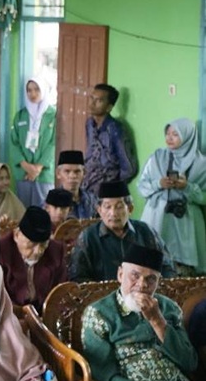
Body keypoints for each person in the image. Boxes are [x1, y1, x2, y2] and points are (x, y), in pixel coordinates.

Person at [82, 244, 206, 381]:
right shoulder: (99, 313)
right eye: (135, 276)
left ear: (158, 282)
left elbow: (190, 362)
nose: (142, 285)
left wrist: (157, 320)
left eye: (151, 279)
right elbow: (103, 374)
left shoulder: (169, 308)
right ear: (120, 274)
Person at [138, 118, 206, 276]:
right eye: (167, 133)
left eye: (175, 134)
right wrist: (159, 184)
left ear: (188, 136)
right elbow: (142, 187)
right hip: (158, 218)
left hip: (187, 223)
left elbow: (204, 197)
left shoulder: (201, 164)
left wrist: (187, 187)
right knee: (152, 265)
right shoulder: (157, 157)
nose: (169, 138)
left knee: (185, 273)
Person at [69, 181, 175, 282]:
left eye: (119, 207)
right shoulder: (88, 237)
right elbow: (78, 277)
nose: (113, 213)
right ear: (99, 210)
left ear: (130, 208)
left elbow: (167, 267)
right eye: (107, 207)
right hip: (104, 294)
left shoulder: (146, 232)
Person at [0, 207, 66, 311]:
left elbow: (60, 292)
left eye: (43, 244)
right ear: (17, 235)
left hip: (44, 312)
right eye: (32, 244)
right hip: (10, 312)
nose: (38, 251)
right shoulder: (0, 253)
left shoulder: (56, 251)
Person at [9, 77, 56, 207]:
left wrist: (38, 168)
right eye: (29, 90)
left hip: (44, 174)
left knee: (44, 210)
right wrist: (26, 166)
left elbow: (53, 144)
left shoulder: (53, 115)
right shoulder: (20, 115)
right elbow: (14, 143)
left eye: (36, 89)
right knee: (23, 210)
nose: (32, 94)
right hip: (23, 173)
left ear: (44, 90)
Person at [83, 83, 137, 195]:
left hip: (106, 189)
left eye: (99, 101)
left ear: (109, 107)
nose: (92, 103)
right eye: (92, 98)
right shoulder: (89, 124)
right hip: (88, 184)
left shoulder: (115, 129)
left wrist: (112, 188)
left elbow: (129, 169)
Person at [55, 150, 97, 220]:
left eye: (77, 171)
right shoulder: (52, 202)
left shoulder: (92, 200)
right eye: (67, 171)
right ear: (58, 173)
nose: (72, 176)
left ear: (84, 173)